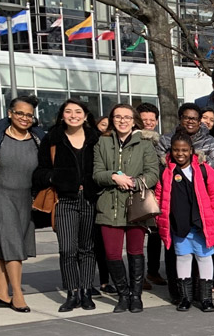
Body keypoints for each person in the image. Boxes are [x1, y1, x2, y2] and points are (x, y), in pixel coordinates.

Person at [33, 99, 101, 312]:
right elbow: (40, 172)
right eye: (68, 111)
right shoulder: (52, 139)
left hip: (90, 199)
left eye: (78, 111)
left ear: (86, 115)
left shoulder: (96, 139)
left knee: (88, 249)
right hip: (64, 201)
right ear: (62, 115)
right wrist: (55, 178)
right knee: (67, 249)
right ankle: (72, 292)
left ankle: (87, 291)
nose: (73, 115)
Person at [93, 104, 160, 313]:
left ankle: (136, 296)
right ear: (112, 120)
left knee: (135, 252)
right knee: (112, 254)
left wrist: (133, 182)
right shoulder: (102, 142)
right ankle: (123, 295)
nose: (122, 121)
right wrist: (114, 176)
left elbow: (152, 174)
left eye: (127, 117)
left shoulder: (145, 144)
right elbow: (96, 173)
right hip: (109, 205)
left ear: (134, 121)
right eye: (118, 117)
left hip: (136, 206)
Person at [0, 96, 44, 313]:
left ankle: (1, 293)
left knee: (7, 244)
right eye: (19, 113)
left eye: (29, 115)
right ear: (9, 113)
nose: (24, 118)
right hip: (0, 195)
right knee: (12, 243)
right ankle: (17, 294)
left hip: (26, 198)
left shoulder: (38, 138)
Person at [155, 132, 214, 312]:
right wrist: (160, 218)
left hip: (202, 225)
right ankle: (185, 297)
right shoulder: (166, 172)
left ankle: (206, 298)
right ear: (170, 151)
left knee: (204, 258)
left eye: (185, 150)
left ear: (191, 151)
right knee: (183, 258)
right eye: (176, 150)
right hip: (179, 225)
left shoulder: (204, 169)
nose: (180, 154)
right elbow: (159, 197)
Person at [136, 102, 166, 290]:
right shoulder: (133, 140)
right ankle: (139, 275)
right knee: (138, 235)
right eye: (144, 119)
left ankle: (152, 271)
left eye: (151, 119)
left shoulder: (161, 141)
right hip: (139, 191)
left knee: (156, 235)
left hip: (158, 193)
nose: (148, 123)